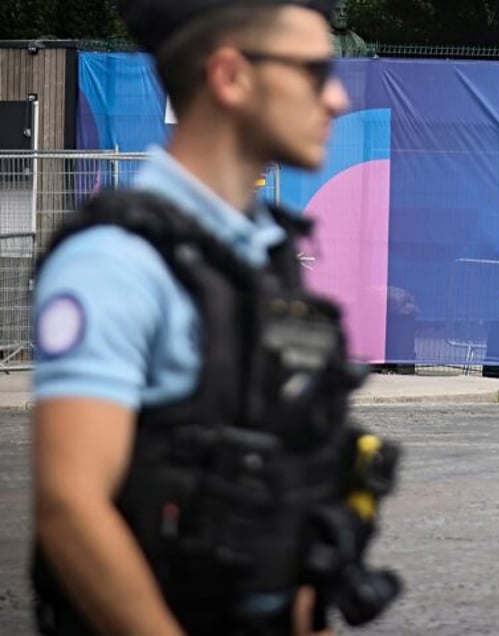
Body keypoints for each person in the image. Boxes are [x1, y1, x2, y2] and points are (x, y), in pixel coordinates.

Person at [30, 1, 401, 635]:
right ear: (230, 77)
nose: (336, 98)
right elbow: (71, 508)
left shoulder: (262, 255)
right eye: (312, 72)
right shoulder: (117, 262)